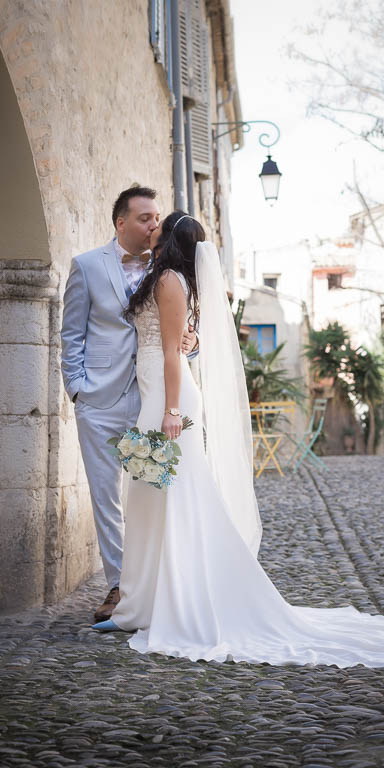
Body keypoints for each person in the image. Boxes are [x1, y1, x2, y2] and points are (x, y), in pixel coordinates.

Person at [93, 212, 384, 669]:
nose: (150, 225)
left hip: (169, 401)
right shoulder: (165, 276)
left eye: (158, 223)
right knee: (151, 498)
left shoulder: (170, 279)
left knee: (172, 497)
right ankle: (142, 603)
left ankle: (176, 603)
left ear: (171, 237)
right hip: (156, 393)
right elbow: (181, 342)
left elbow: (174, 352)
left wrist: (171, 411)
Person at [60, 187, 198, 622]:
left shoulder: (166, 268)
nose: (153, 224)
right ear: (121, 222)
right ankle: (120, 586)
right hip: (98, 400)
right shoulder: (85, 266)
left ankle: (151, 584)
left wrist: (191, 345)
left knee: (146, 493)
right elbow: (71, 334)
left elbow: (177, 334)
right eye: (144, 218)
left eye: (156, 217)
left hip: (148, 398)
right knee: (106, 496)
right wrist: (78, 389)